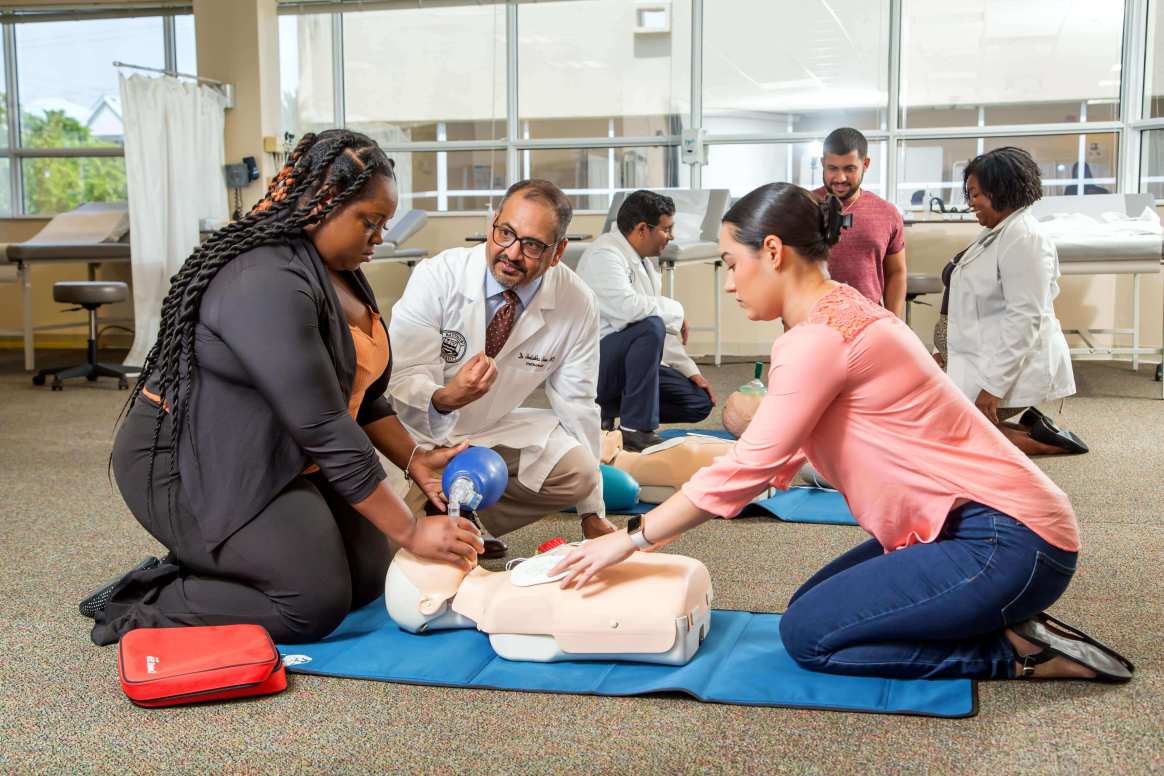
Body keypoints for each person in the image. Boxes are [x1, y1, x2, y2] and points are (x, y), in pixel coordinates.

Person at [549, 182, 1133, 684]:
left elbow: (747, 469)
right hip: (987, 527)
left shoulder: (816, 339)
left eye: (730, 263)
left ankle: (1014, 653)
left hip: (1008, 540)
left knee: (809, 637)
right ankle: (993, 614)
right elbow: (780, 453)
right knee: (811, 606)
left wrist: (629, 540)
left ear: (771, 251)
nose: (729, 283)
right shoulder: (843, 307)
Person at [86, 130, 483, 646]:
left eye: (383, 224)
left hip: (271, 451)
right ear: (320, 201)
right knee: (310, 604)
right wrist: (409, 528)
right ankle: (145, 600)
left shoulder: (337, 270)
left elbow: (362, 396)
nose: (379, 238)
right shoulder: (263, 277)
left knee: (365, 578)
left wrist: (415, 459)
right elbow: (323, 423)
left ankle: (225, 563)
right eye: (369, 221)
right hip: (188, 464)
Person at [388, 179, 616, 559]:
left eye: (532, 245)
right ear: (492, 222)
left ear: (558, 252)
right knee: (381, 556)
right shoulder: (438, 276)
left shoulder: (577, 302)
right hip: (410, 435)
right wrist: (444, 398)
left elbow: (578, 403)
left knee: (578, 471)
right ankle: (434, 509)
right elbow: (400, 378)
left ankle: (463, 516)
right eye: (505, 233)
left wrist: (592, 511)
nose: (511, 253)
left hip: (486, 430)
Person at [936, 147, 1085, 456]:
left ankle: (1042, 441)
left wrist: (993, 388)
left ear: (1000, 190)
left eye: (976, 194)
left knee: (945, 435)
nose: (971, 202)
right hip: (974, 359)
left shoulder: (1025, 238)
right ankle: (1026, 428)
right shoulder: (998, 232)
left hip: (1000, 372)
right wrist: (943, 351)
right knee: (931, 419)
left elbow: (1025, 318)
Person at [575, 190, 715, 451]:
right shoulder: (604, 255)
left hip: (625, 365)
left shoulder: (644, 263)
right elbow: (629, 310)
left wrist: (691, 371)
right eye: (666, 229)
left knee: (697, 402)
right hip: (597, 366)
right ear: (642, 229)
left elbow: (659, 328)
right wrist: (677, 310)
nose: (671, 236)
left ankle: (607, 412)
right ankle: (635, 429)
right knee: (650, 326)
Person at [813, 127, 907, 317]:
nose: (840, 178)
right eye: (832, 168)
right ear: (823, 163)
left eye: (849, 169)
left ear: (865, 164)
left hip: (869, 323)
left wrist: (893, 322)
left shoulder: (887, 213)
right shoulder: (803, 206)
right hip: (814, 320)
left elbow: (896, 272)